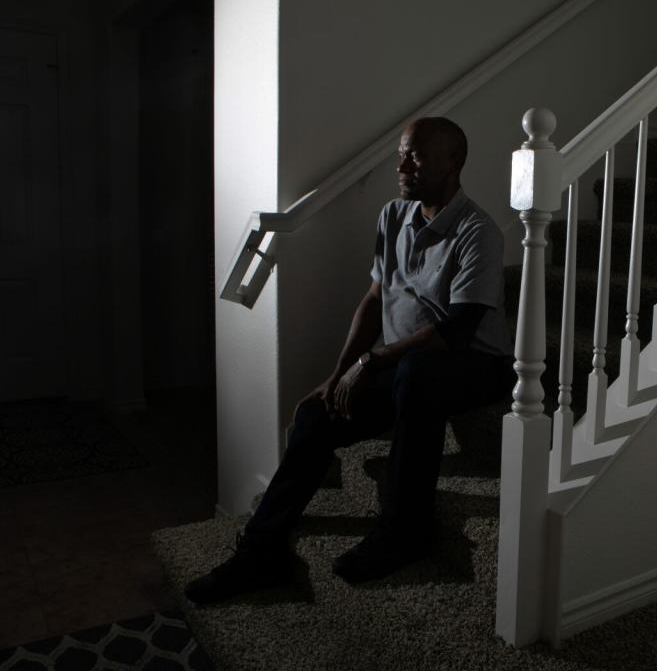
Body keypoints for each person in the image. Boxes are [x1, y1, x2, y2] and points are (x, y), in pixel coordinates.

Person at [186, 117, 515, 605]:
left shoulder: (477, 231)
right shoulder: (393, 216)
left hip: (479, 366)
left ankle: (406, 531)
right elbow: (374, 298)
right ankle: (260, 552)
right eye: (401, 154)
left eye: (416, 157)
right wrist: (338, 373)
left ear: (453, 163)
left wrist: (372, 361)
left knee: (415, 372)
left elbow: (455, 332)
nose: (402, 166)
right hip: (403, 369)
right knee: (316, 415)